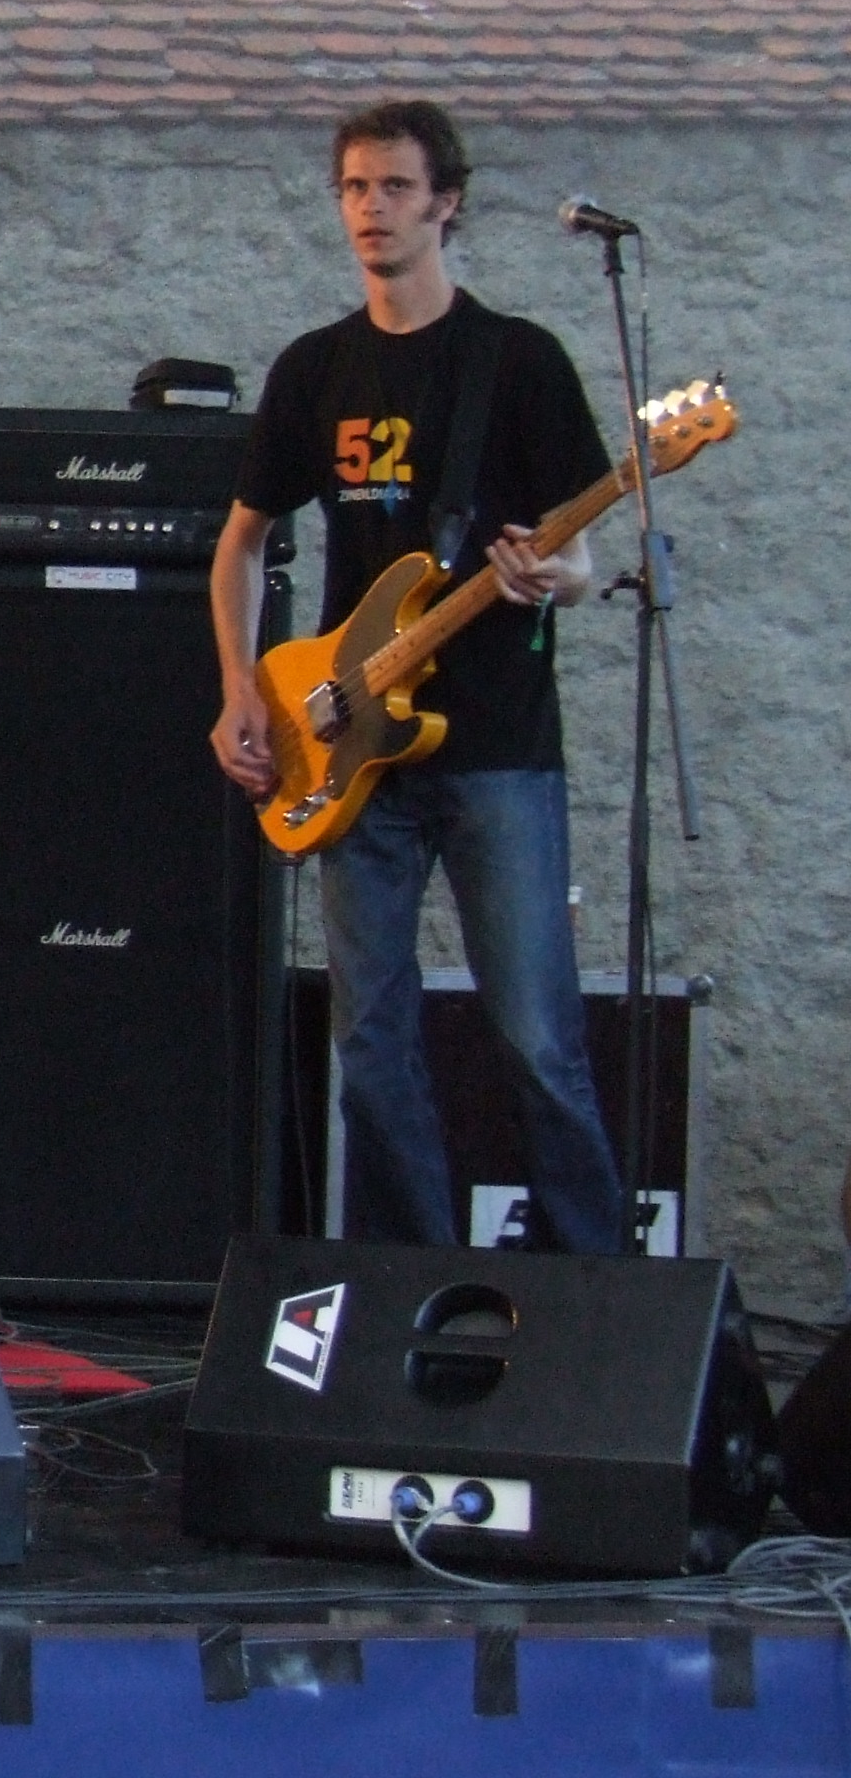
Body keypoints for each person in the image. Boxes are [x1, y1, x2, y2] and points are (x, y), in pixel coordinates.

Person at [210, 99, 628, 1254]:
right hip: (347, 747)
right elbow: (240, 542)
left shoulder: (516, 361)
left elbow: (580, 561)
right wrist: (240, 690)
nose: (369, 209)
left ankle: (590, 1290)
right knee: (367, 1042)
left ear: (445, 202)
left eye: (393, 187)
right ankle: (407, 1285)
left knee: (535, 1035)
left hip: (495, 746)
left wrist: (544, 578)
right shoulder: (314, 369)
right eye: (352, 187)